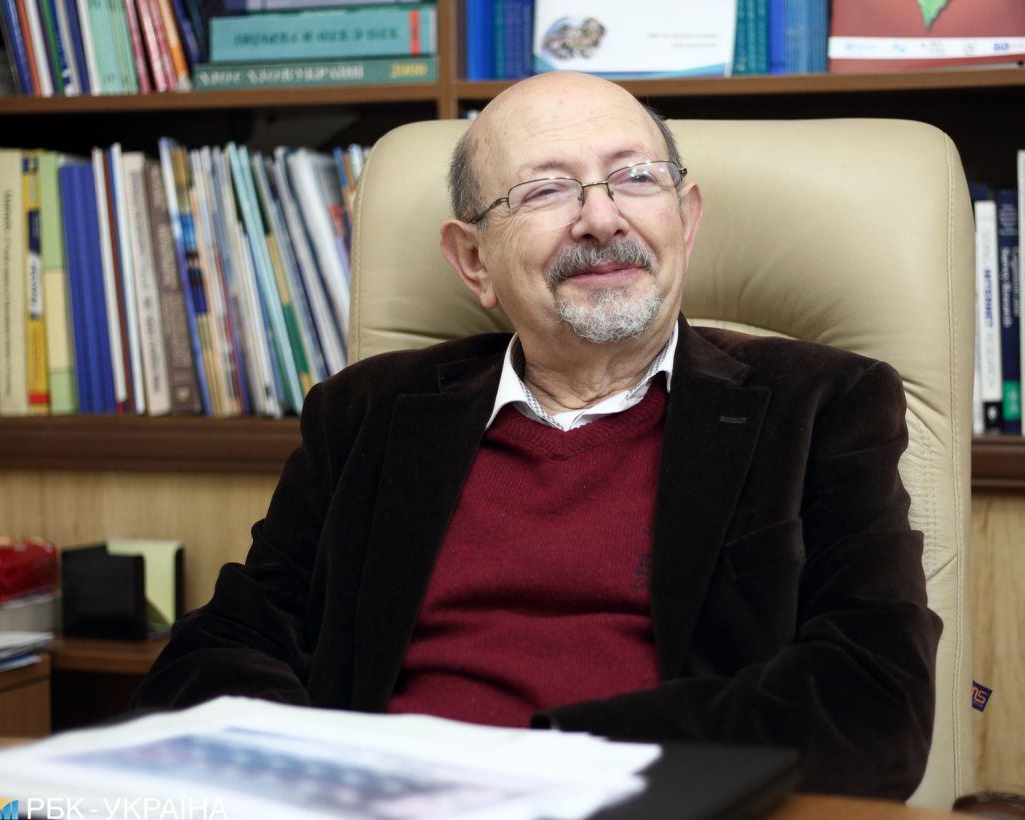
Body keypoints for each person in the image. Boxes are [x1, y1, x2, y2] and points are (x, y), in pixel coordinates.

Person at [134, 71, 942, 799]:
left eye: (635, 177)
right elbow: (216, 654)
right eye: (546, 190)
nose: (601, 218)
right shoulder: (368, 413)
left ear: (686, 220)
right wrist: (331, 775)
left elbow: (872, 701)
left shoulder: (821, 406)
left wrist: (543, 766)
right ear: (474, 261)